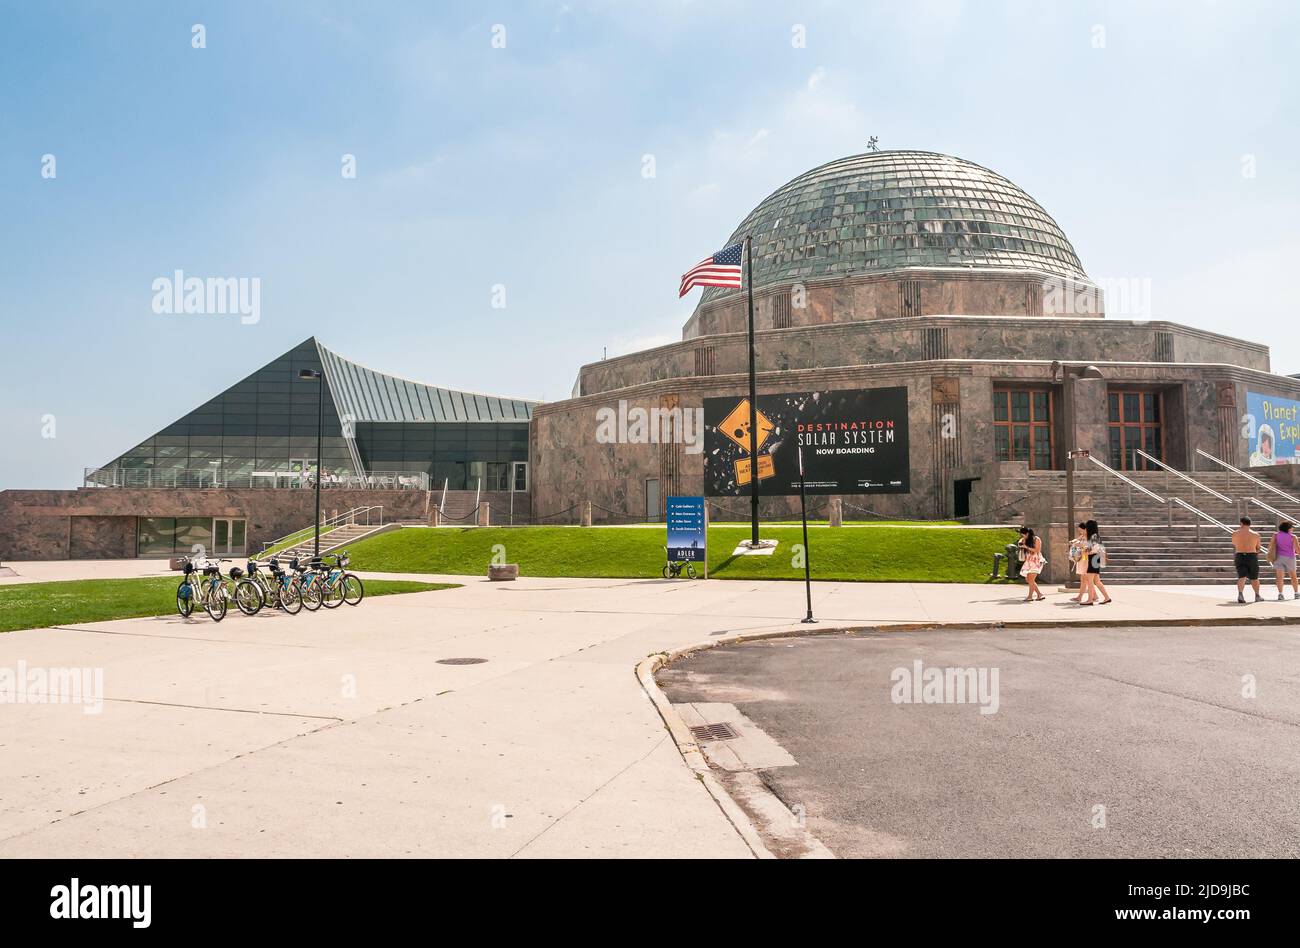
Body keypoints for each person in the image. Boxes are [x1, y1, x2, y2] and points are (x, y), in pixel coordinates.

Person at [1233, 516, 1263, 603]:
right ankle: (1257, 595)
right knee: (1254, 577)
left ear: (1241, 523)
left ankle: (1240, 594)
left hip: (1240, 554)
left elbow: (1235, 543)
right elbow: (1258, 548)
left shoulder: (1235, 533)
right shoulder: (1256, 534)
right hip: (1252, 555)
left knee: (1242, 576)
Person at [1082, 519, 1112, 605]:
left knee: (1090, 580)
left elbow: (1090, 549)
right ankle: (1107, 597)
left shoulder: (1093, 536)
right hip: (1096, 558)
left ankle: (1090, 599)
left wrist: (1083, 549)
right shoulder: (1096, 536)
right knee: (1096, 581)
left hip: (1094, 558)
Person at [1267, 520, 1297, 601]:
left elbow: (1270, 546)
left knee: (1280, 577)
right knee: (1293, 576)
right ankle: (1296, 593)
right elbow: (1297, 549)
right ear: (1288, 528)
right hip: (1290, 558)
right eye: (1292, 527)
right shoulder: (1293, 537)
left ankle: (1280, 594)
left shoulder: (1275, 535)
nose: (1292, 529)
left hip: (1279, 557)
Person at [1017, 526, 1045, 601]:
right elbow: (1019, 544)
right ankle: (1039, 594)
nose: (1023, 536)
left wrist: (1026, 547)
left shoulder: (1037, 539)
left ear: (1028, 533)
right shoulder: (1024, 539)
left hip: (1036, 561)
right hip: (1028, 561)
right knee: (1028, 579)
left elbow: (1036, 550)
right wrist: (1021, 543)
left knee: (1031, 579)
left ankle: (1030, 597)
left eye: (1023, 535)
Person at [1068, 522, 1089, 603]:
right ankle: (1081, 596)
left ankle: (1081, 596)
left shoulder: (1089, 537)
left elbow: (1087, 546)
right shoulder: (1082, 536)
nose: (1080, 532)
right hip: (1082, 558)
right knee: (1084, 578)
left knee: (1086, 578)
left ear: (1085, 529)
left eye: (1081, 530)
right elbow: (1077, 540)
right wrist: (1073, 542)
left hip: (1086, 558)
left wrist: (1079, 545)